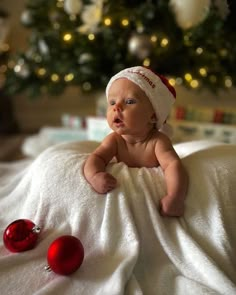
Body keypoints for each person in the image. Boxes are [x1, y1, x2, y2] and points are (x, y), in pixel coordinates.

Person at [83, 66, 188, 217]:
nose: (116, 107)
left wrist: (175, 197)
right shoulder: (115, 140)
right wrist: (94, 176)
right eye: (112, 102)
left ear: (153, 116)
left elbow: (173, 165)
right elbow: (96, 157)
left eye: (130, 101)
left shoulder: (158, 142)